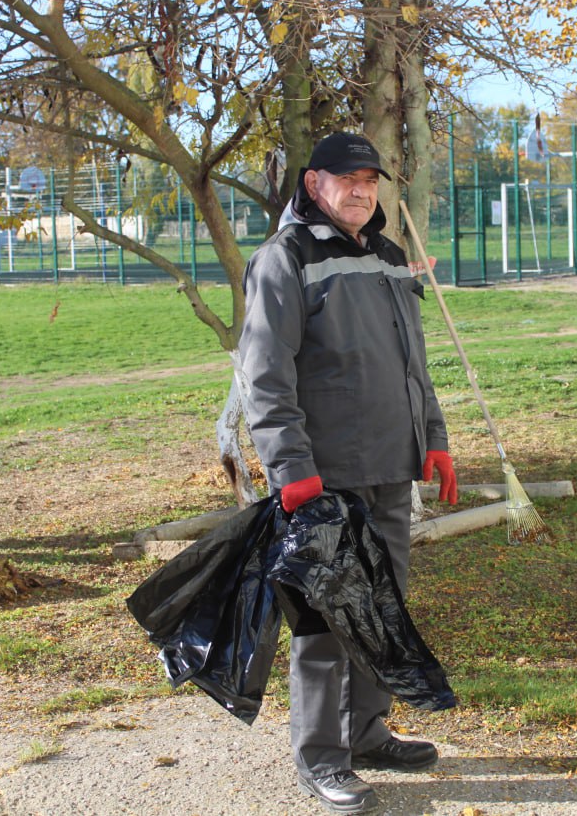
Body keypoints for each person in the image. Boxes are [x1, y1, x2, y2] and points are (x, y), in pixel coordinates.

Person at [238, 131, 458, 813]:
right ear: (313, 184)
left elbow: (412, 366)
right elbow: (263, 376)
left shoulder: (389, 258)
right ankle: (321, 758)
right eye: (347, 177)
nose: (362, 189)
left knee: (381, 609)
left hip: (391, 468)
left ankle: (366, 731)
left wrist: (435, 439)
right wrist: (291, 469)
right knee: (324, 622)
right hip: (323, 480)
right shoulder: (287, 257)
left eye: (371, 178)